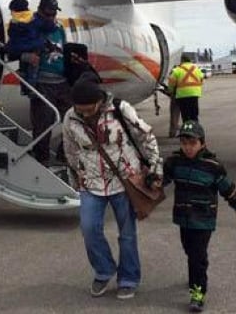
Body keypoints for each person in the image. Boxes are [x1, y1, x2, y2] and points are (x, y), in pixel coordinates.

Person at [62, 74, 162, 300]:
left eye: (89, 109)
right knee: (89, 229)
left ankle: (128, 278)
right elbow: (69, 149)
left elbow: (145, 136)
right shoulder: (70, 117)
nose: (84, 114)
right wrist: (75, 178)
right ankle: (104, 270)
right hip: (91, 181)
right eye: (80, 110)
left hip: (124, 179)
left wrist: (156, 169)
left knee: (127, 234)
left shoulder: (120, 109)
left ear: (99, 100)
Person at [163, 120, 236, 312]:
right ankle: (198, 270)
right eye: (184, 143)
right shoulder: (175, 162)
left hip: (203, 219)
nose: (188, 148)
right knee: (189, 250)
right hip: (184, 217)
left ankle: (197, 293)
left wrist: (235, 201)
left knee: (196, 257)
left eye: (192, 143)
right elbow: (163, 179)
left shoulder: (212, 166)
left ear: (202, 143)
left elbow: (226, 186)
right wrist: (151, 180)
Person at [29, 0, 72, 164]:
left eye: (54, 13)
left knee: (74, 119)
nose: (51, 17)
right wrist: (27, 56)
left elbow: (64, 50)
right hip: (42, 83)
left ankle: (64, 154)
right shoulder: (31, 29)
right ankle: (42, 161)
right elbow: (15, 49)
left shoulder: (59, 29)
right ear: (40, 11)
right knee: (42, 125)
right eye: (48, 14)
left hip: (62, 82)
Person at [5, 0, 41, 95]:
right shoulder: (34, 18)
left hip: (19, 51)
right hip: (33, 49)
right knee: (33, 69)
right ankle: (32, 89)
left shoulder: (14, 22)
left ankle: (25, 88)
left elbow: (11, 34)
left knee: (24, 69)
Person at [167, 54, 205, 122]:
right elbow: (201, 79)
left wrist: (170, 91)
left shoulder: (177, 70)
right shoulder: (196, 68)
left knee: (185, 116)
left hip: (182, 96)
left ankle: (187, 128)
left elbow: (171, 83)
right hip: (194, 94)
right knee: (194, 114)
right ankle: (195, 128)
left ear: (181, 60)